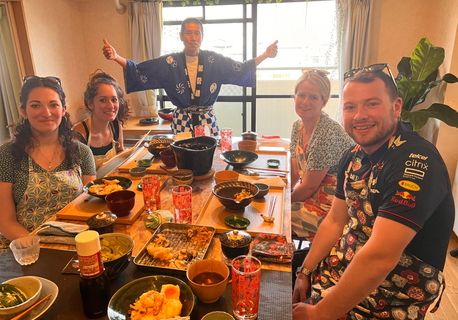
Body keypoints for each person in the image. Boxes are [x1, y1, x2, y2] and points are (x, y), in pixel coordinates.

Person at [292, 64, 454, 320]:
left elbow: (379, 257)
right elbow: (335, 221)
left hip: (393, 292)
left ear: (396, 107)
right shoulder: (353, 156)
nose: (359, 116)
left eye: (372, 104)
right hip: (343, 262)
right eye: (350, 107)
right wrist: (305, 271)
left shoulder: (415, 161)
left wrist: (317, 314)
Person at [102, 17, 278, 136]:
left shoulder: (214, 60)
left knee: (210, 161)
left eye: (197, 33)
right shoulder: (170, 62)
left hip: (207, 120)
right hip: (182, 120)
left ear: (202, 36)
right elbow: (143, 70)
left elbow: (240, 68)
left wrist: (264, 55)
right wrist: (116, 57)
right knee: (183, 163)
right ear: (181, 36)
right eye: (188, 33)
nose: (193, 37)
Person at [0, 76, 96, 258]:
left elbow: (90, 204)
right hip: (23, 248)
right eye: (36, 105)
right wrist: (43, 248)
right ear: (24, 111)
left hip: (73, 241)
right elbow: (6, 223)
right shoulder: (4, 156)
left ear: (63, 109)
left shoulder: (82, 152)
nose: (46, 112)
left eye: (53, 105)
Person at [289, 69, 354, 283]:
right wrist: (283, 193)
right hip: (313, 196)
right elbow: (294, 169)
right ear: (295, 95)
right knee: (272, 213)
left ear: (324, 101)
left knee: (277, 221)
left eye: (313, 97)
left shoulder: (327, 132)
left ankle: (289, 271)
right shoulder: (297, 126)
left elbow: (308, 187)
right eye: (301, 95)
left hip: (335, 208)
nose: (305, 101)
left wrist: (281, 204)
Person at [73, 71, 130, 169]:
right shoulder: (78, 135)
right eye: (103, 100)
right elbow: (75, 174)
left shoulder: (116, 125)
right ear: (90, 104)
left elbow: (120, 151)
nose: (110, 106)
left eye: (114, 100)